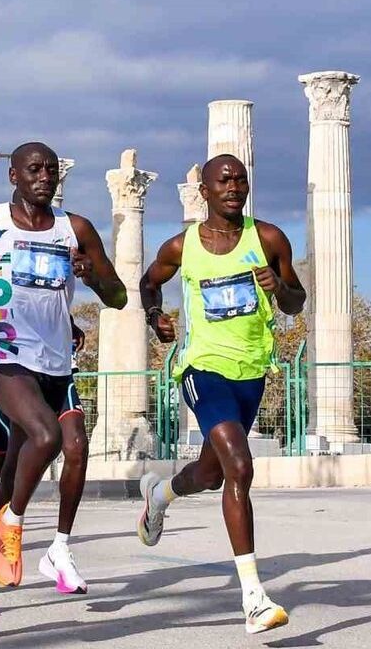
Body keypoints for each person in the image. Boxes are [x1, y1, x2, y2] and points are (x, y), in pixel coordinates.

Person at [0, 142, 127, 636]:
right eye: (34, 169)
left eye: (52, 170)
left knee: (63, 450)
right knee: (44, 438)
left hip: (55, 362)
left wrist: (94, 276)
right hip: (2, 353)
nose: (45, 176)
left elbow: (119, 295)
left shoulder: (75, 229)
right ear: (14, 176)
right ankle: (14, 526)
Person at [135, 154, 306, 635]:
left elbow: (297, 302)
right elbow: (149, 283)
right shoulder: (182, 246)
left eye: (240, 179)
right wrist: (156, 317)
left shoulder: (268, 238)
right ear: (204, 191)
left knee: (211, 474)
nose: (233, 187)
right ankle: (253, 597)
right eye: (223, 180)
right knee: (240, 467)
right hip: (202, 368)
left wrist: (281, 286)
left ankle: (160, 494)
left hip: (251, 372)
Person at [0, 321, 90, 594]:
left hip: (55, 367)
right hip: (14, 367)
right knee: (0, 469)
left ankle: (59, 546)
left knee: (77, 446)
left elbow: (49, 290)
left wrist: (68, 323)